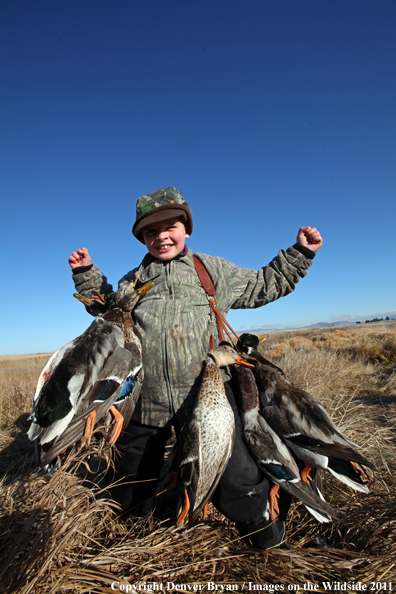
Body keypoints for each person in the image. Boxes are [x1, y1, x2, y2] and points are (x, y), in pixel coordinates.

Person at [69, 187, 323, 549]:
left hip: (207, 400)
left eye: (169, 226)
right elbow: (106, 307)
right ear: (142, 239)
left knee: (237, 477)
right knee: (127, 483)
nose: (161, 237)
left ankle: (267, 540)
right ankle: (135, 540)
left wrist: (300, 254)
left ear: (186, 228)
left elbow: (263, 285)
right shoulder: (133, 280)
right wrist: (86, 276)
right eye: (150, 232)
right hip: (146, 399)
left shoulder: (212, 270)